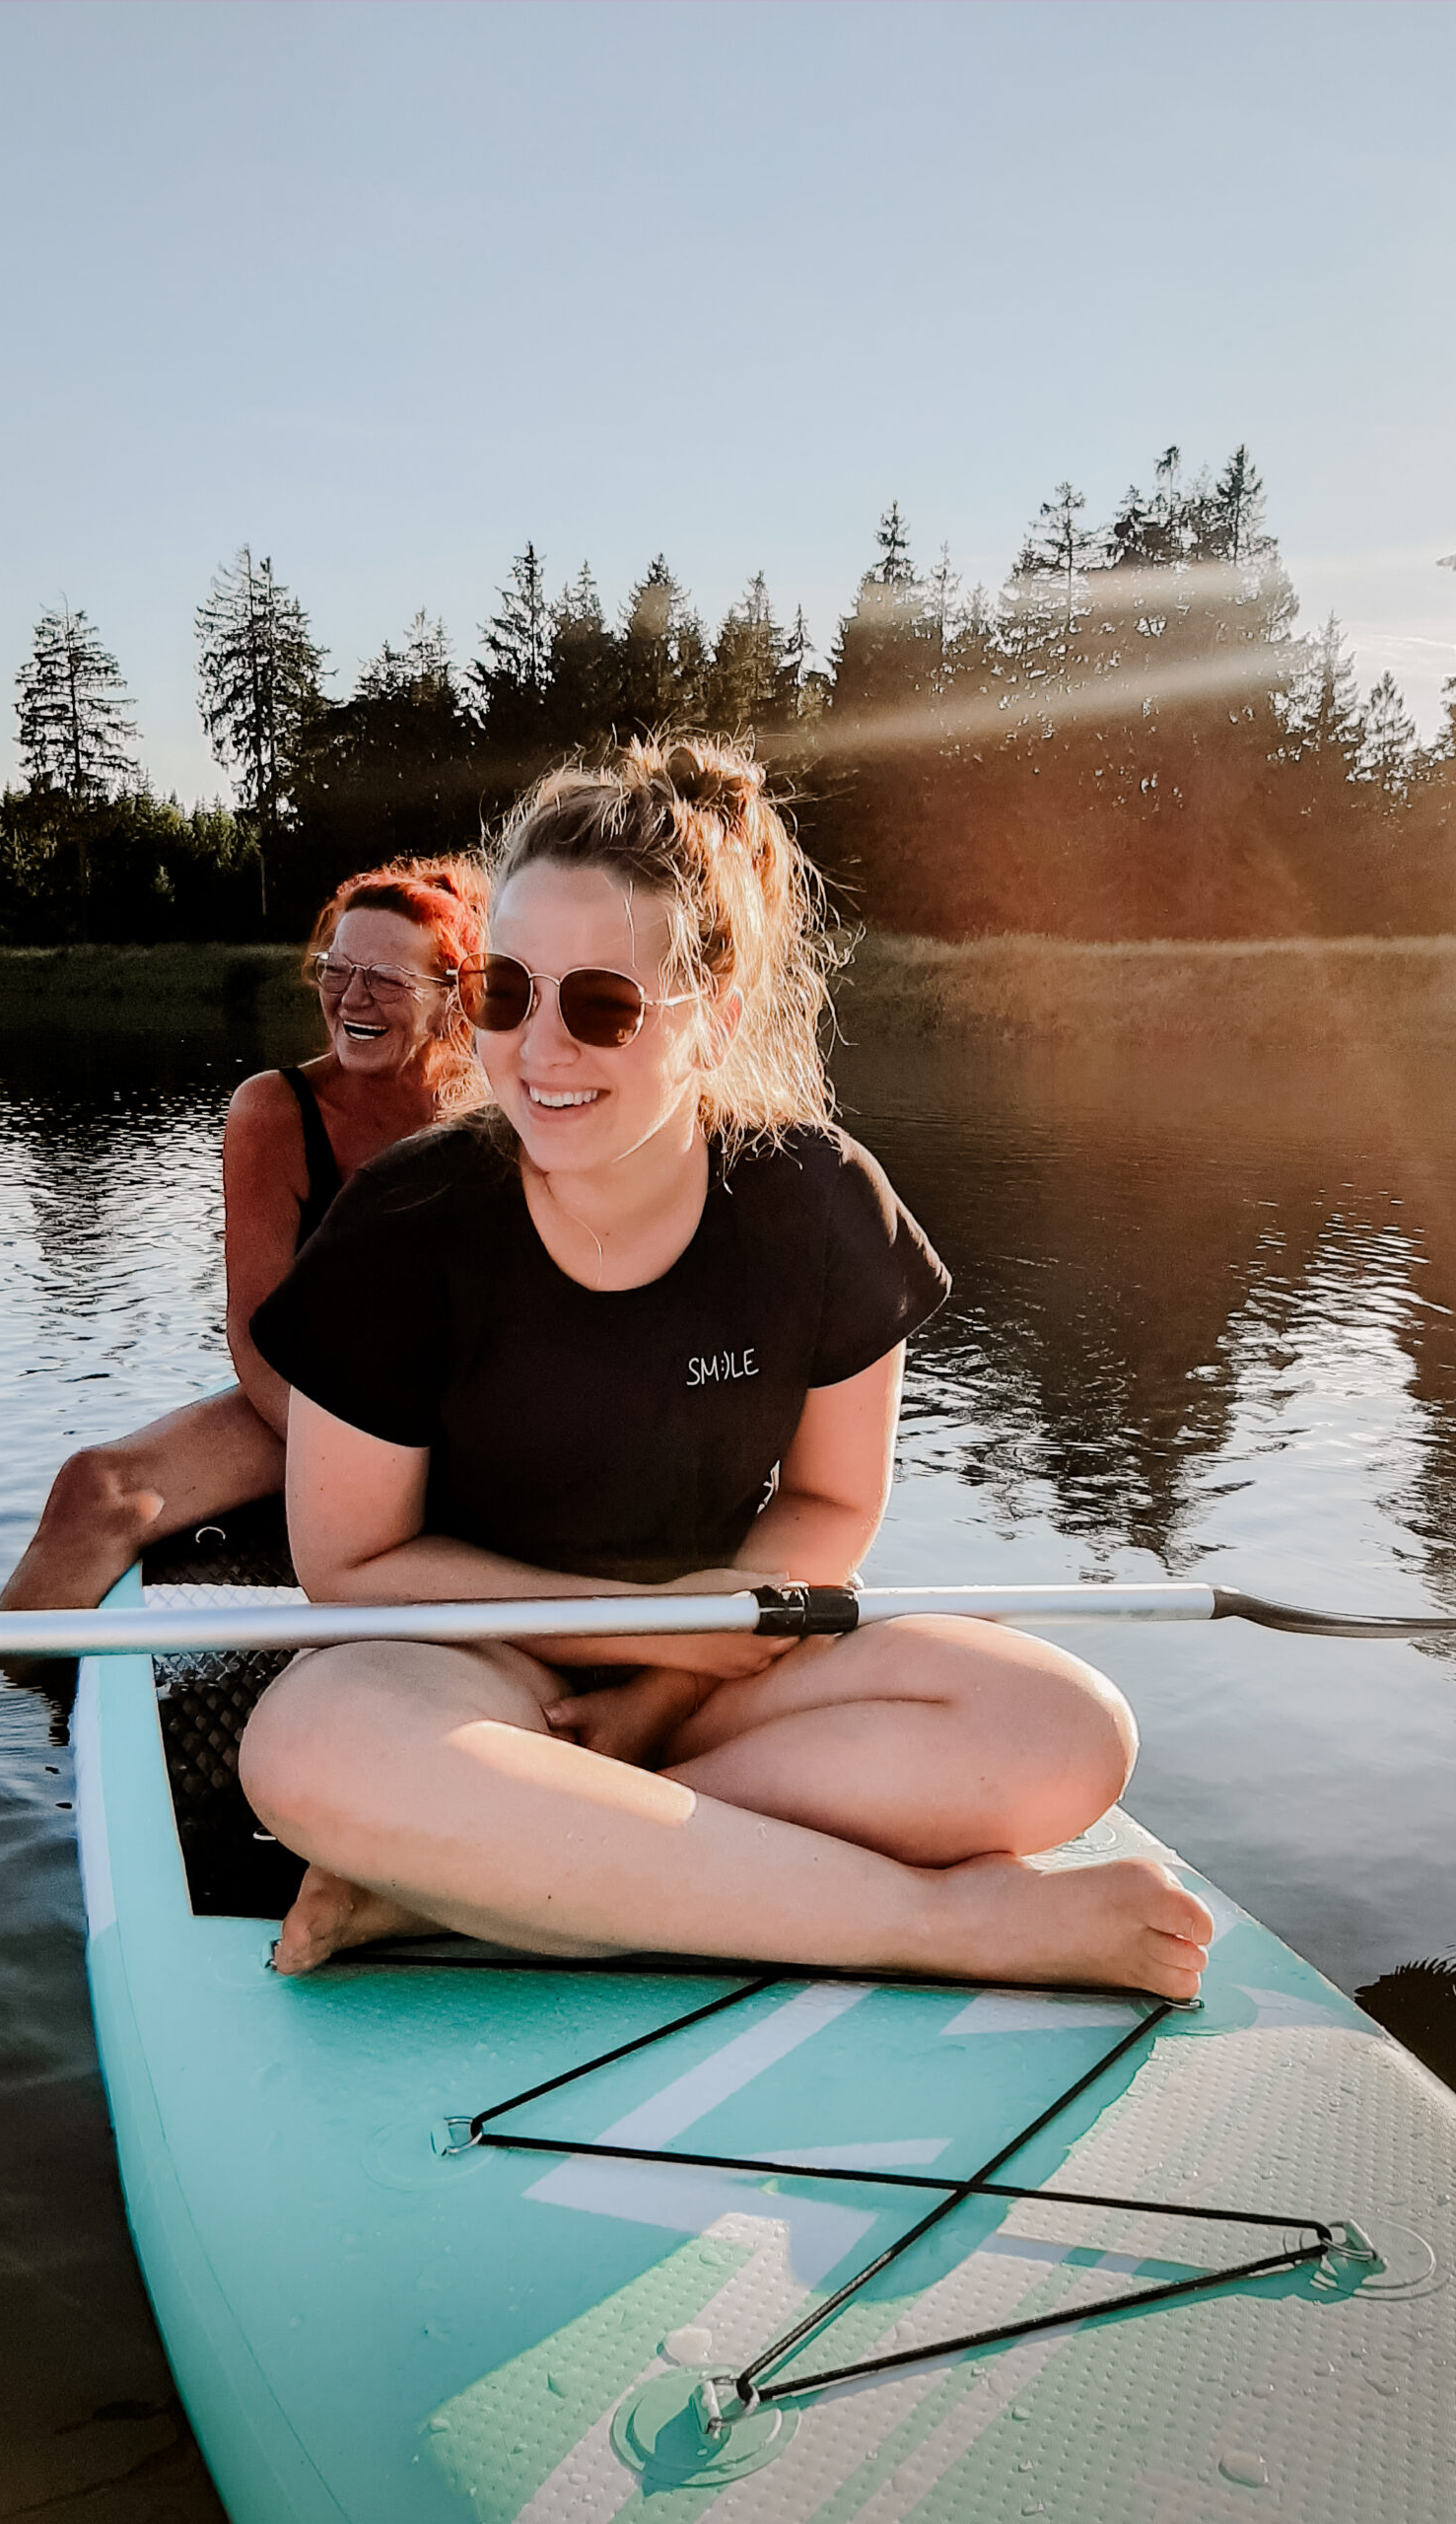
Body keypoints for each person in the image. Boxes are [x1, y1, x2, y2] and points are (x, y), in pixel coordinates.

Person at [240, 737, 1213, 1998]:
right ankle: (949, 1926)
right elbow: (350, 1568)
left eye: (600, 1004)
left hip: (717, 1666)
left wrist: (661, 1683)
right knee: (310, 1749)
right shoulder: (403, 1221)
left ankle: (467, 1880)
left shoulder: (819, 1201)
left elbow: (830, 1511)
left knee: (1067, 1734)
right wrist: (651, 1632)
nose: (539, 1050)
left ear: (719, 1017)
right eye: (505, 993)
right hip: (473, 1659)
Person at [0, 855, 487, 1617]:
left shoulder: (502, 1114)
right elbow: (256, 1334)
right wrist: (354, 1464)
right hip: (315, 1401)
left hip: (471, 1402)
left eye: (386, 979)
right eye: (336, 969)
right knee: (93, 1488)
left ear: (453, 997)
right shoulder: (273, 1111)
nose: (352, 997)